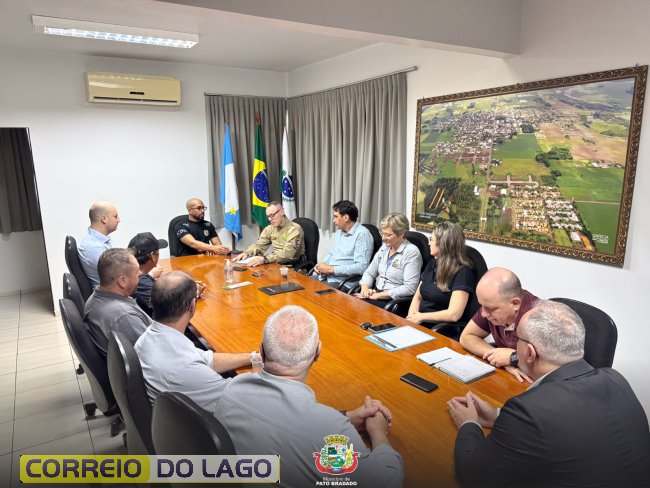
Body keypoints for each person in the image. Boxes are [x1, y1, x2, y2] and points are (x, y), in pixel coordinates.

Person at [447, 300, 650, 487]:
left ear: (530, 353)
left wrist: (469, 423)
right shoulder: (615, 379)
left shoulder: (528, 411)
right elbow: (568, 424)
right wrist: (497, 415)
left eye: (517, 339)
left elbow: (474, 477)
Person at [214, 305, 404, 487]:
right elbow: (388, 483)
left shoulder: (232, 389)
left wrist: (347, 418)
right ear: (318, 353)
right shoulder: (330, 434)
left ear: (261, 351)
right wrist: (378, 432)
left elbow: (284, 423)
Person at [134, 271, 251, 412]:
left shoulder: (147, 338)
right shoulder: (185, 367)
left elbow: (206, 359)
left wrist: (252, 358)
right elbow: (239, 399)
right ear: (192, 306)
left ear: (151, 302)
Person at [459, 268, 538, 383]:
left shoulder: (539, 318)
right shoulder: (491, 305)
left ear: (515, 303)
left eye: (491, 309)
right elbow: (467, 337)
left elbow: (553, 365)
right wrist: (499, 357)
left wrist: (513, 357)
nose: (483, 314)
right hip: (509, 378)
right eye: (482, 306)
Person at [83, 248, 151, 359]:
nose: (141, 273)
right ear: (122, 281)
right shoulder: (124, 316)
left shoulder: (96, 296)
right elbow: (152, 355)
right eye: (136, 271)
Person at [407, 222, 475, 326]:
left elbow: (453, 314)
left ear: (443, 244)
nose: (429, 243)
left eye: (431, 239)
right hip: (419, 322)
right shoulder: (433, 263)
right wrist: (410, 318)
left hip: (440, 328)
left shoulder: (463, 273)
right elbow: (418, 297)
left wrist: (421, 317)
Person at [356, 213, 422, 310]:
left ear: (401, 234)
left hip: (393, 302)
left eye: (388, 235)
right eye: (382, 233)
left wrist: (378, 295)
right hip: (375, 293)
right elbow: (370, 272)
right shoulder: (385, 247)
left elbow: (410, 288)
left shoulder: (411, 252)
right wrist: (365, 289)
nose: (383, 238)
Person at [313, 200, 373, 289]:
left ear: (346, 217)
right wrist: (321, 265)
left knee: (311, 294)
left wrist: (332, 269)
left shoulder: (362, 235)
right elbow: (331, 253)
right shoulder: (339, 232)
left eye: (336, 217)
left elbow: (361, 267)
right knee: (303, 285)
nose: (333, 220)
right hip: (327, 277)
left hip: (343, 282)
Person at [233, 201, 304, 267]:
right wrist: (247, 253)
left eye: (272, 215)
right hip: (276, 264)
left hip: (292, 267)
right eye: (268, 216)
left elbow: (287, 254)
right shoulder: (270, 228)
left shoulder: (294, 229)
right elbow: (260, 245)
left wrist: (266, 259)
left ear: (282, 212)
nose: (270, 219)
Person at [78, 201, 120, 289]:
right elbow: (119, 274)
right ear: (104, 219)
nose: (119, 220)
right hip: (111, 294)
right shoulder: (95, 248)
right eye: (115, 216)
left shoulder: (100, 240)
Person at [127, 232, 168, 316]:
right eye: (158, 252)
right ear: (153, 256)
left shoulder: (135, 275)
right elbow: (170, 305)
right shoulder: (140, 281)